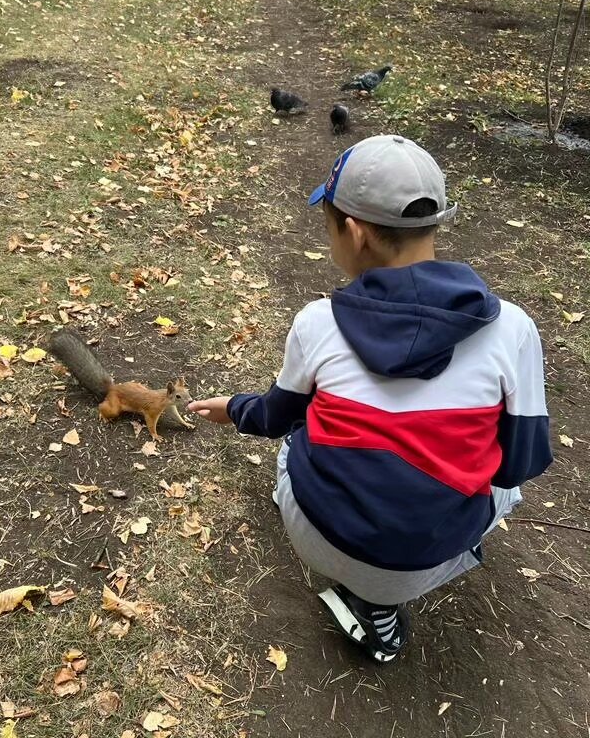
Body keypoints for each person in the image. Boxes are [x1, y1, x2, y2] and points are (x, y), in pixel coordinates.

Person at [187, 135, 553, 663]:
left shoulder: (317, 323)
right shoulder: (512, 329)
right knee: (507, 493)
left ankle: (347, 562)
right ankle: (381, 600)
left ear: (355, 233)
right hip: (423, 564)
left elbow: (273, 417)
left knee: (299, 429)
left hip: (315, 534)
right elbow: (521, 463)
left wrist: (234, 408)